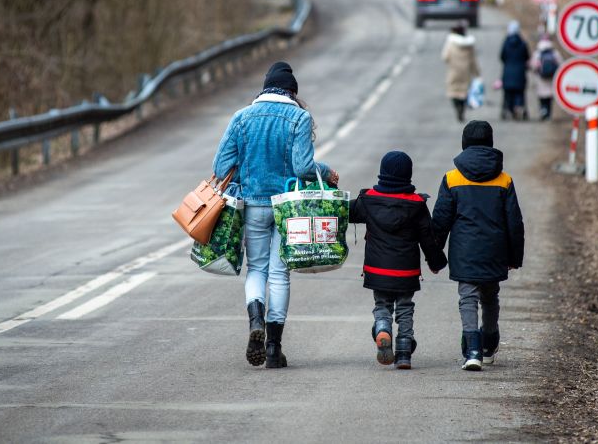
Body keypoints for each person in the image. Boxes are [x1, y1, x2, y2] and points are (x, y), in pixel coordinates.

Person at [213, 61, 339, 369]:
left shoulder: (241, 118)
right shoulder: (299, 117)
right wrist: (326, 172)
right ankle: (273, 348)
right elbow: (304, 169)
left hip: (253, 204)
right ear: (292, 92)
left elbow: (220, 168)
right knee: (280, 273)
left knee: (256, 269)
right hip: (288, 208)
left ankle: (255, 319)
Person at [431, 121, 525, 371]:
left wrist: (434, 254)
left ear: (464, 144)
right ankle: (489, 341)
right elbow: (514, 222)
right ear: (491, 143)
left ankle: (472, 349)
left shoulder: (452, 178)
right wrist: (515, 257)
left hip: (464, 250)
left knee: (468, 298)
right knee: (490, 296)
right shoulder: (504, 180)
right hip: (495, 250)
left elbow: (441, 220)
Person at [349, 151, 447, 370]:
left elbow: (345, 211)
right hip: (406, 271)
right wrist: (436, 262)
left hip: (377, 270)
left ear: (382, 173)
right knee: (405, 308)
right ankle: (403, 353)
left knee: (382, 304)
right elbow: (428, 239)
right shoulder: (417, 204)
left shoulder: (368, 200)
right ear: (408, 175)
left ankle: (383, 328)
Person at [441, 23, 480, 123]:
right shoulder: (469, 45)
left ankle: (457, 108)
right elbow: (473, 60)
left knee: (454, 92)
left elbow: (445, 57)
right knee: (464, 92)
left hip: (454, 72)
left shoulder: (451, 43)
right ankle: (462, 110)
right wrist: (477, 74)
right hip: (466, 73)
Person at [500, 21, 530, 120]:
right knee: (519, 93)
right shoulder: (522, 43)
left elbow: (502, 56)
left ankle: (509, 110)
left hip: (508, 72)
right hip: (520, 73)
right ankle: (519, 107)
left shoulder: (506, 42)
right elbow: (527, 57)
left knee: (508, 94)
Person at [529, 37, 562, 120]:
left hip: (541, 79)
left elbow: (533, 66)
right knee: (549, 97)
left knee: (542, 97)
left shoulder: (538, 53)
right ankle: (548, 113)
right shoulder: (555, 53)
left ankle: (543, 110)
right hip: (551, 78)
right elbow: (561, 64)